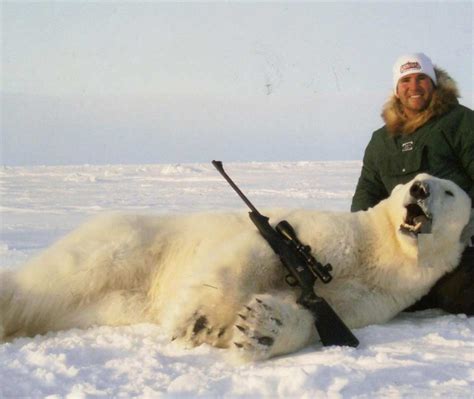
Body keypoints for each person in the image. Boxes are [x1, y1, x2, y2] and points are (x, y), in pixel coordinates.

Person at [351, 53, 474, 315]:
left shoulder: (460, 121)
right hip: (402, 246)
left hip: (453, 242)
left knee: (461, 296)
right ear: (397, 89)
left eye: (421, 78)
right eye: (406, 81)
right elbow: (367, 193)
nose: (414, 87)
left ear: (434, 83)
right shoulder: (381, 141)